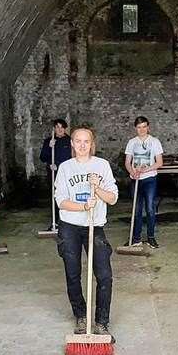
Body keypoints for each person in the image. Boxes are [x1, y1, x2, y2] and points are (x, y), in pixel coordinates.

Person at [55, 127, 119, 340]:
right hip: (70, 226)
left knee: (104, 275)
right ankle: (81, 316)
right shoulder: (65, 168)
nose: (82, 145)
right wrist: (83, 207)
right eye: (78, 141)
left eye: (86, 141)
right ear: (72, 144)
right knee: (72, 273)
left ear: (92, 144)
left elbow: (112, 198)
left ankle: (101, 322)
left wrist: (97, 187)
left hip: (95, 225)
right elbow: (61, 202)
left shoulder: (102, 166)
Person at [124, 116, 164, 248]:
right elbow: (127, 162)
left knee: (150, 209)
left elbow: (159, 162)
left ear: (148, 127)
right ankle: (136, 238)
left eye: (144, 126)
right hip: (135, 179)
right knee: (136, 210)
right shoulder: (132, 142)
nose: (142, 129)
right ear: (136, 128)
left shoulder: (155, 142)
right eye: (139, 127)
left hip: (150, 179)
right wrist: (132, 171)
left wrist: (146, 170)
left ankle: (151, 237)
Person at [40, 118, 72, 230]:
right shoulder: (49, 141)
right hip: (54, 173)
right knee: (56, 196)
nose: (59, 129)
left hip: (68, 173)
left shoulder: (70, 141)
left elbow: (73, 158)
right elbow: (43, 157)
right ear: (54, 129)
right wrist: (49, 147)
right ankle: (56, 222)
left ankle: (68, 221)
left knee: (69, 196)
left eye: (61, 127)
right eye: (57, 127)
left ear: (65, 128)